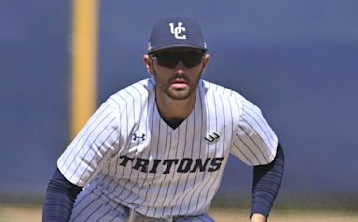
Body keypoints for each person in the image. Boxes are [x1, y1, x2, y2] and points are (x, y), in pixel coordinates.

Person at [42, 17, 285, 222]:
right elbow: (63, 185)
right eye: (168, 58)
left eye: (189, 58)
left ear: (204, 63)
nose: (179, 69)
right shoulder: (119, 113)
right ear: (149, 64)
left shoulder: (232, 110)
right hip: (111, 208)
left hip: (187, 215)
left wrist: (258, 216)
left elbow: (269, 157)